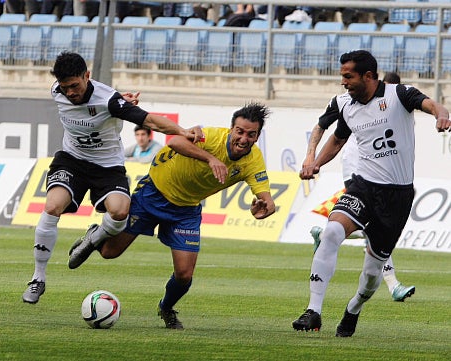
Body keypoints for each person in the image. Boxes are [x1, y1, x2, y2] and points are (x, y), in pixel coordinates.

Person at [69, 103, 276, 329]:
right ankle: (96, 234)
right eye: (240, 131)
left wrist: (265, 207)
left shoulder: (253, 160)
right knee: (110, 252)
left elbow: (266, 198)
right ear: (231, 129)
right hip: (153, 193)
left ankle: (166, 308)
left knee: (185, 274)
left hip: (185, 210)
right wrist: (210, 158)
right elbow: (175, 141)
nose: (244, 138)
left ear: (257, 136)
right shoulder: (212, 137)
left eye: (251, 134)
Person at [21, 51, 203, 304]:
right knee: (52, 206)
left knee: (119, 212)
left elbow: (151, 121)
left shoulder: (109, 101)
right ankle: (38, 278)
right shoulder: (57, 91)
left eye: (75, 85)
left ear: (87, 76)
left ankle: (93, 238)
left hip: (107, 166)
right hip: (71, 160)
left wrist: (181, 131)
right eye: (65, 87)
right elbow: (69, 91)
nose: (70, 92)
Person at [293, 50, 451, 337]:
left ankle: (353, 308)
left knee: (370, 276)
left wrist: (442, 116)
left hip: (397, 198)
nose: (343, 82)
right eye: (342, 76)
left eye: (348, 76)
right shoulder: (346, 106)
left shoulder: (399, 94)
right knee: (331, 232)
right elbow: (338, 139)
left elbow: (433, 105)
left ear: (368, 76)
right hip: (363, 187)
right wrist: (315, 162)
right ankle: (313, 310)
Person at [304, 70, 415, 303]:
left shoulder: (399, 104)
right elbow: (321, 126)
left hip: (386, 177)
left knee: (370, 228)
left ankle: (326, 235)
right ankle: (392, 282)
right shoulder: (345, 102)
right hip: (357, 169)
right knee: (372, 224)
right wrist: (311, 157)